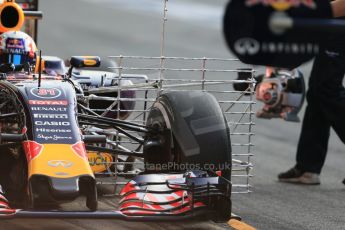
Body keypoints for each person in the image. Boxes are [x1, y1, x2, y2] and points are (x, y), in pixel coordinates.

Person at [278, 0, 345, 184]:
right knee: (318, 91)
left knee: (327, 89)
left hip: (339, 20)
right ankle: (308, 167)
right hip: (331, 20)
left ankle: (308, 166)